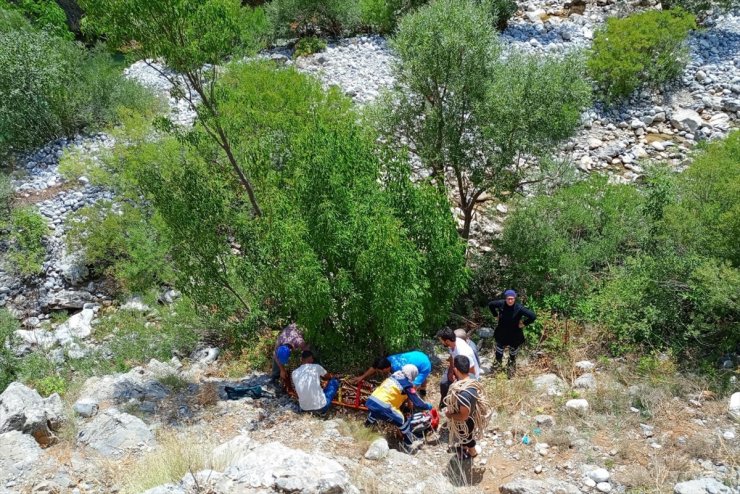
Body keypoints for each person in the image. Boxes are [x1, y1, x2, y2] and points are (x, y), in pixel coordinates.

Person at [365, 364, 433, 452]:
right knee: (401, 420)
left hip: (371, 401)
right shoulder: (407, 385)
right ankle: (409, 444)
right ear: (412, 374)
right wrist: (428, 406)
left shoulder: (393, 376)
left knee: (375, 412)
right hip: (383, 405)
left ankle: (365, 428)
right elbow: (418, 403)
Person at [443, 355, 491, 461]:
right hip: (472, 415)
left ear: (455, 369)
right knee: (465, 436)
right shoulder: (472, 380)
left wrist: (449, 415)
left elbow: (463, 416)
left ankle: (472, 453)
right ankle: (464, 448)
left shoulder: (463, 393)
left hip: (465, 421)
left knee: (466, 436)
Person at [488, 290, 536, 376]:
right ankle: (497, 367)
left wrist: (524, 324)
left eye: (512, 299)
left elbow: (532, 316)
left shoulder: (519, 308)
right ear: (505, 299)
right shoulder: (501, 304)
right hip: (502, 332)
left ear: (515, 299)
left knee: (513, 352)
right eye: (508, 299)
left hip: (515, 334)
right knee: (499, 351)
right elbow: (491, 304)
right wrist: (495, 315)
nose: (510, 301)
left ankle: (511, 367)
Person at [436, 327, 480, 409]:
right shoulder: (452, 344)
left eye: (441, 340)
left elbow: (471, 371)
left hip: (467, 374)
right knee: (444, 383)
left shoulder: (463, 352)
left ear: (447, 341)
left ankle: (458, 407)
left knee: (458, 391)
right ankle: (444, 404)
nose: (440, 342)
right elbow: (452, 357)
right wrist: (451, 371)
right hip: (458, 368)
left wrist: (459, 380)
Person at [351, 351, 432, 393]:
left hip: (424, 365)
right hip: (417, 355)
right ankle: (423, 388)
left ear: (387, 368)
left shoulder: (399, 370)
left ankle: (422, 389)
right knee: (420, 377)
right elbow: (374, 367)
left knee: (414, 385)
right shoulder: (387, 360)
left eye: (381, 371)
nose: (380, 373)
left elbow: (410, 386)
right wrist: (361, 377)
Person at [291, 350, 339, 414]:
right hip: (321, 407)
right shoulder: (316, 367)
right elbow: (328, 377)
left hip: (304, 408)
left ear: (301, 359)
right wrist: (333, 376)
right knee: (334, 381)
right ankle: (322, 412)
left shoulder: (294, 373)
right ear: (311, 359)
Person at [272, 323, 309, 387]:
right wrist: (282, 369)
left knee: (310, 355)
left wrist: (305, 363)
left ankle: (316, 367)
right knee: (275, 357)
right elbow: (275, 355)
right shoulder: (279, 342)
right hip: (289, 332)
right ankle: (275, 377)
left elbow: (307, 350)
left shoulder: (299, 342)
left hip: (306, 328)